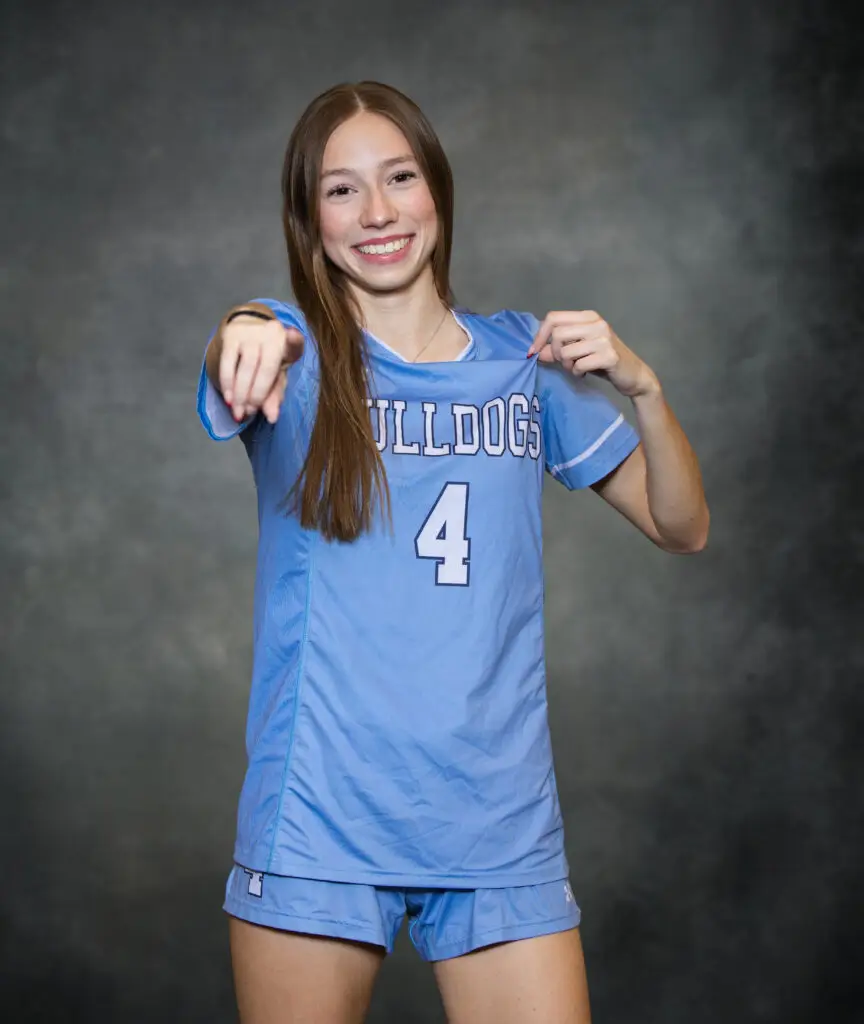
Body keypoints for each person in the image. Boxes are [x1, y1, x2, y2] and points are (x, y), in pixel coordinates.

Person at [197, 80, 709, 1024]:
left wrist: (646, 390)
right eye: (342, 190)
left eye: (399, 177)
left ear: (438, 188)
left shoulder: (529, 364)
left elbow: (684, 526)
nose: (379, 212)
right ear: (310, 217)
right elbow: (249, 342)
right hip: (320, 820)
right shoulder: (294, 359)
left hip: (495, 824)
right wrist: (244, 326)